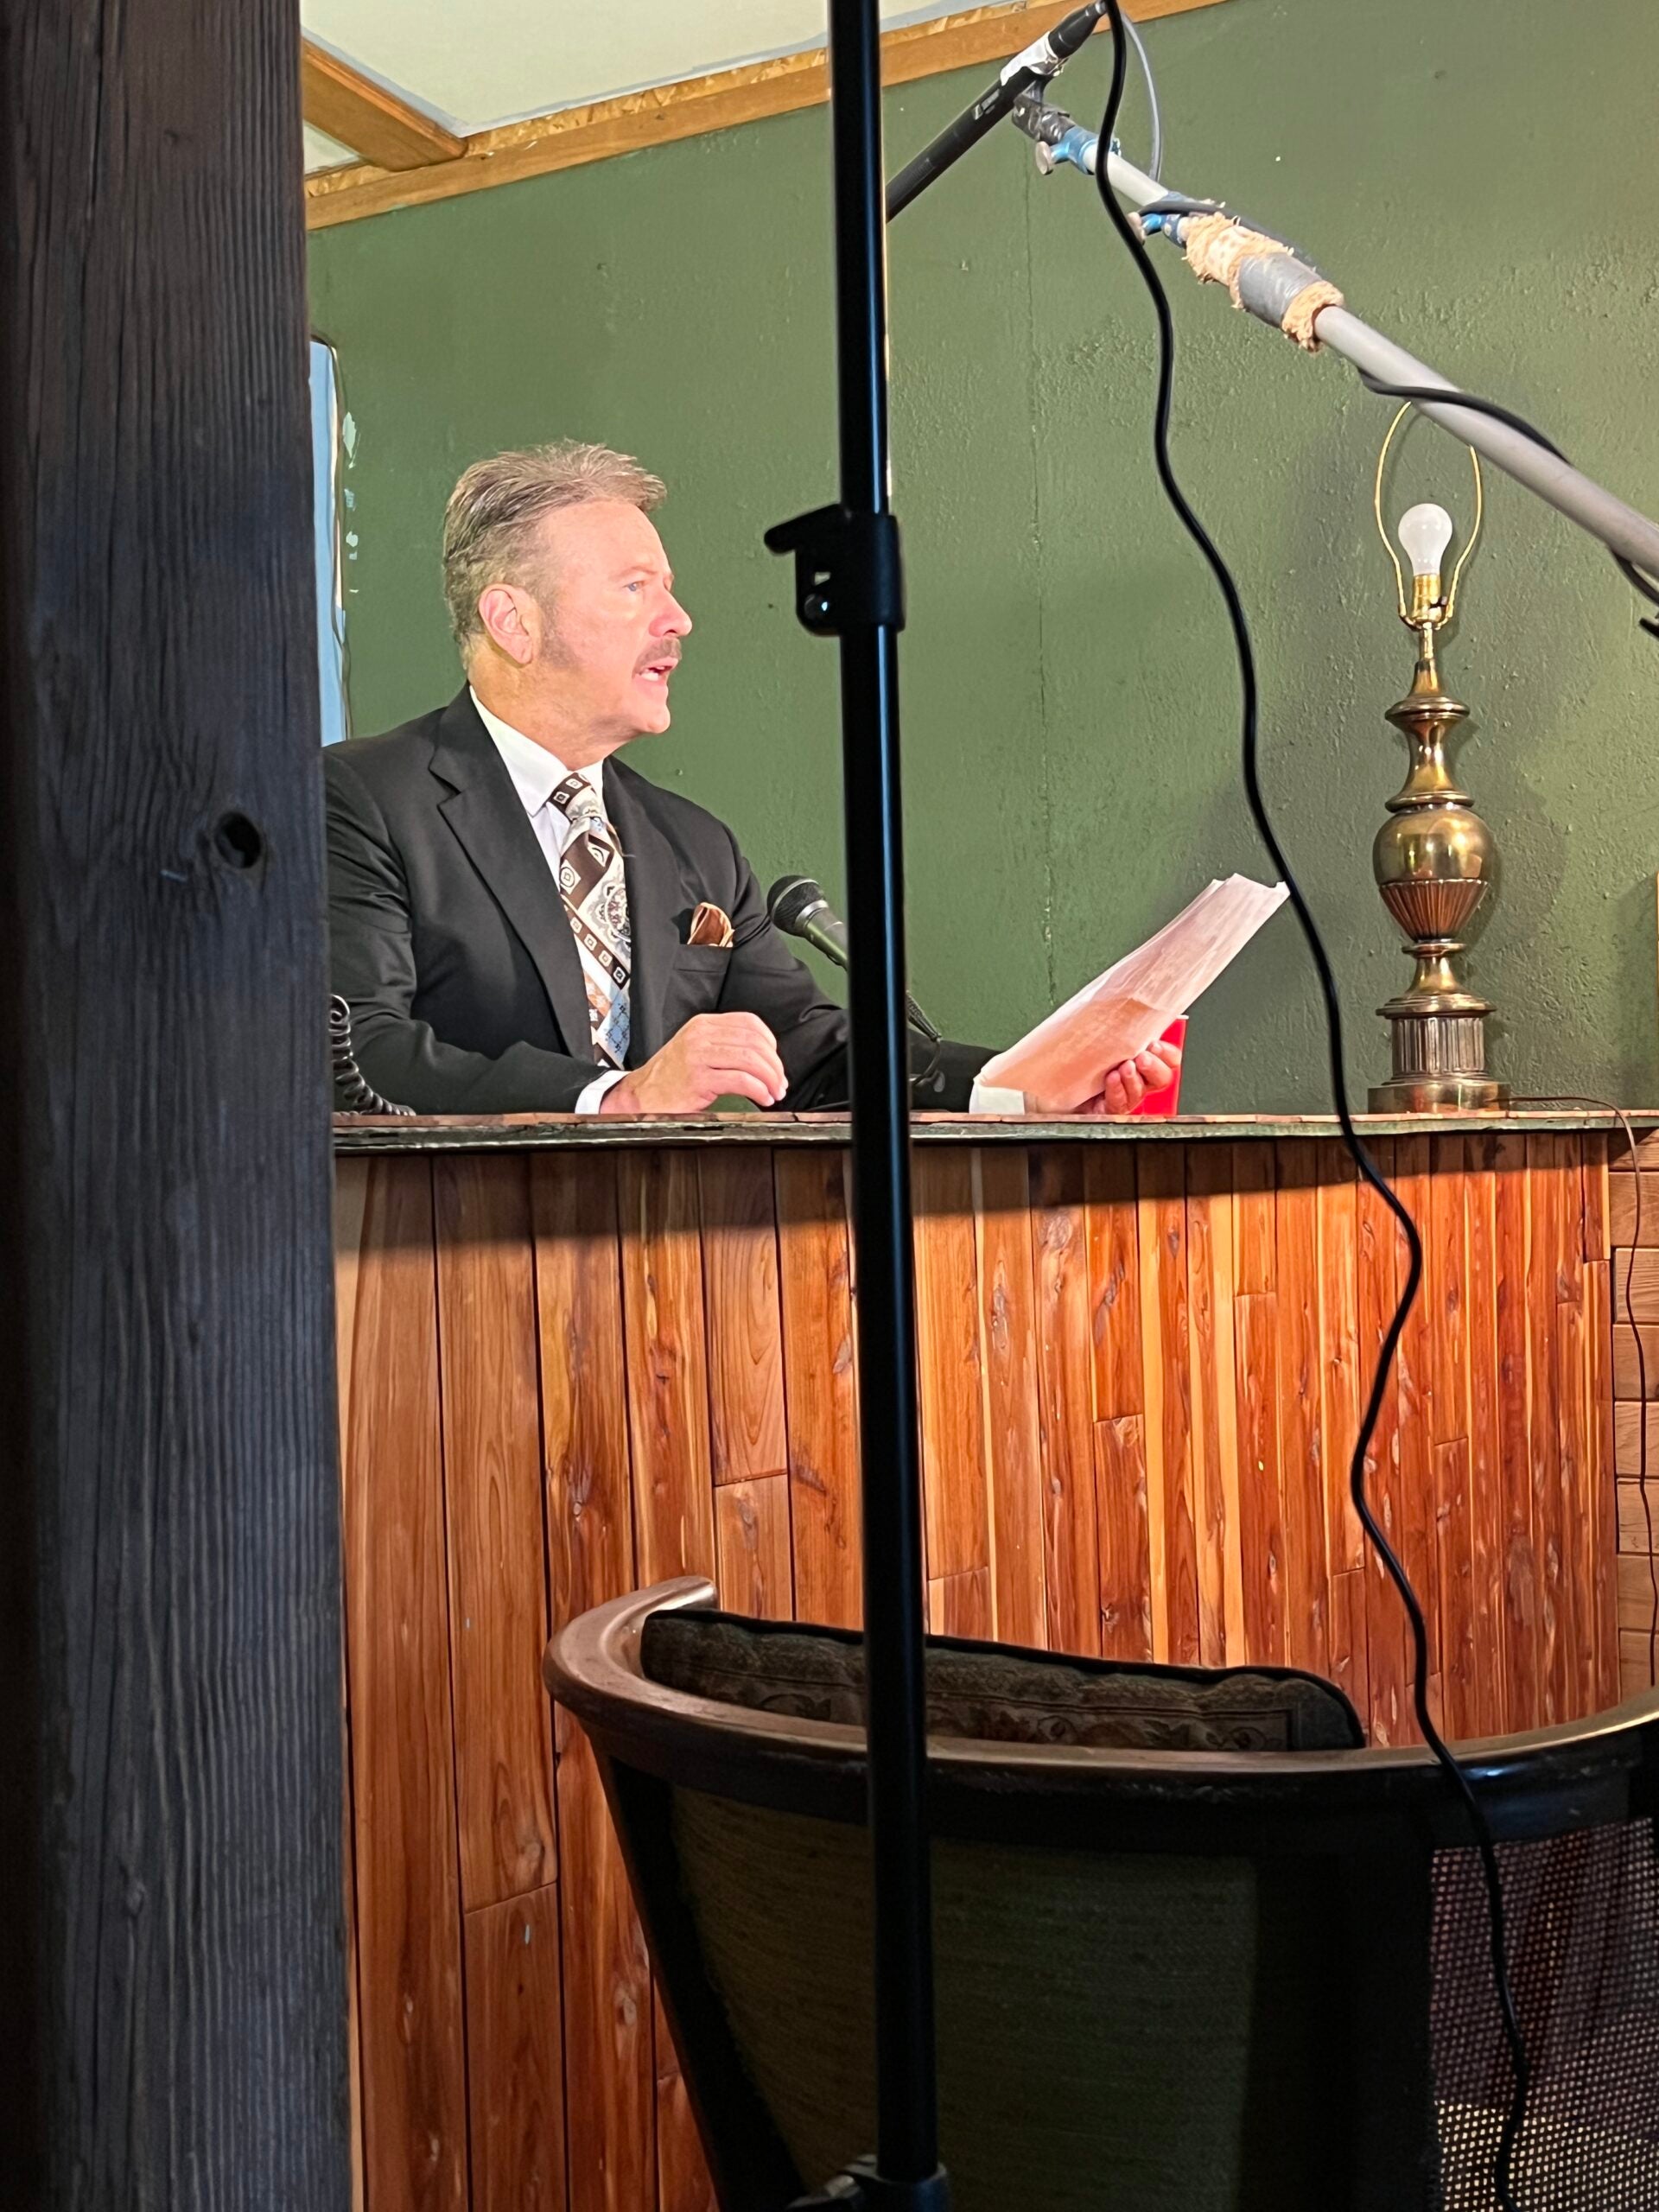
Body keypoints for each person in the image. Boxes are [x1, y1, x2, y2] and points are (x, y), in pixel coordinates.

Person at [323, 442, 1180, 1116]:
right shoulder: (361, 803)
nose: (677, 619)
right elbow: (358, 1053)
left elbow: (811, 1053)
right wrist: (614, 1099)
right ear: (513, 620)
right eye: (634, 588)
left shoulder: (694, 846)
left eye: (669, 589)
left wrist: (1020, 1082)